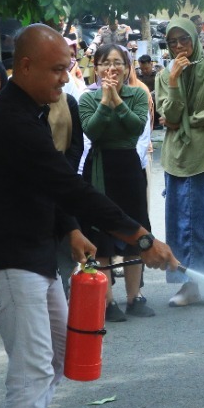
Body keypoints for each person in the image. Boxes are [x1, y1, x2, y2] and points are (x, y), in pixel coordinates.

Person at [0, 23, 177, 408]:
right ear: (25, 67)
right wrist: (141, 238)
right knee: (34, 366)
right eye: (58, 69)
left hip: (34, 253)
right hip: (5, 258)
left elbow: (45, 185)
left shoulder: (31, 111)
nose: (67, 77)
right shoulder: (13, 121)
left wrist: (71, 230)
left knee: (58, 352)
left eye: (68, 67)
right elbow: (69, 185)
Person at [154, 19, 204, 305]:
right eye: (172, 42)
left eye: (183, 40)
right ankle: (188, 285)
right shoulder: (165, 76)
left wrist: (181, 121)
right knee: (182, 225)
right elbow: (170, 117)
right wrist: (174, 81)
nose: (178, 47)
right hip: (177, 160)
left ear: (194, 40)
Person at [79, 43, 153, 321]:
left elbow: (135, 127)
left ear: (127, 67)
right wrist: (105, 102)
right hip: (99, 168)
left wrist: (117, 100)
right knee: (101, 233)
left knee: (136, 228)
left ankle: (135, 296)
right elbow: (93, 130)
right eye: (105, 63)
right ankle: (107, 301)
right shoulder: (87, 98)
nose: (112, 68)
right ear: (96, 68)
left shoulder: (137, 94)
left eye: (118, 62)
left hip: (128, 167)